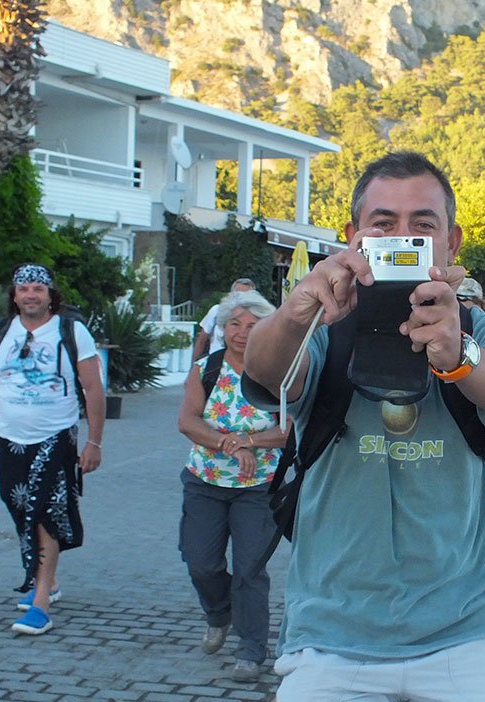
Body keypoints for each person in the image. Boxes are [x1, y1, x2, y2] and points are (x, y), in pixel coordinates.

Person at [243, 150, 485, 701]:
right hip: (331, 641)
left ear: (453, 242)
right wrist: (296, 308)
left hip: (467, 636)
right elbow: (265, 367)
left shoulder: (479, 332)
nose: (404, 237)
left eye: (423, 225)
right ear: (353, 237)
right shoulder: (322, 328)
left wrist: (455, 354)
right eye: (384, 224)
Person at [0, 263, 105, 635]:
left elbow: (94, 388)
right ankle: (47, 579)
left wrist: (94, 441)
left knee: (44, 512)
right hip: (8, 437)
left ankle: (39, 601)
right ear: (15, 295)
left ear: (51, 294)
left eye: (39, 288)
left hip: (55, 436)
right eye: (24, 289)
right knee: (18, 505)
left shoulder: (71, 332)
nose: (31, 294)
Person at [177, 289, 289, 682]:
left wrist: (250, 443)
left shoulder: (280, 372)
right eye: (234, 325)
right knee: (201, 561)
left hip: (259, 485)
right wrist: (228, 443)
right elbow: (188, 422)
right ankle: (218, 613)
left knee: (250, 568)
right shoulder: (205, 369)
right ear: (223, 329)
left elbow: (289, 430)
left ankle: (251, 648)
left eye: (252, 325)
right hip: (205, 480)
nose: (242, 333)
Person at [191, 278, 257, 361]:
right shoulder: (216, 311)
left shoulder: (257, 316)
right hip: (215, 363)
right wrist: (193, 366)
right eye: (238, 294)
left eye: (246, 295)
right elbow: (201, 340)